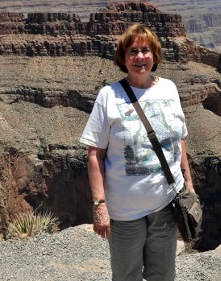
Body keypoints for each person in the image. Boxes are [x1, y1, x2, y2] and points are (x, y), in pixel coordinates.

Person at [79, 23, 195, 281]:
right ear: (123, 57)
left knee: (163, 275)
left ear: (155, 55)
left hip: (166, 205)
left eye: (145, 50)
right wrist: (99, 205)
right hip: (124, 212)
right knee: (126, 276)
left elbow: (180, 140)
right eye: (133, 51)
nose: (140, 57)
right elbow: (95, 154)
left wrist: (189, 184)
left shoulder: (169, 89)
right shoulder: (108, 96)